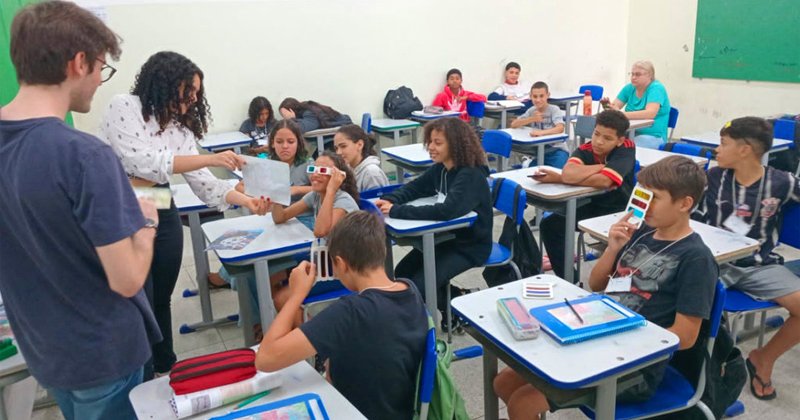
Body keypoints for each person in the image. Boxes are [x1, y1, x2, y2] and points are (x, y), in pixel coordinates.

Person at [0, 2, 160, 418]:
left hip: (41, 346)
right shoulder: (85, 156)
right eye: (101, 70)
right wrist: (144, 228)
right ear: (78, 63)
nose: (98, 84)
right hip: (101, 353)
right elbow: (126, 280)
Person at [495, 156, 718, 419]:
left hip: (636, 365)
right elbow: (598, 283)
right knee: (504, 381)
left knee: (524, 402)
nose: (644, 205)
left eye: (654, 197)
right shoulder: (644, 232)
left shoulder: (696, 258)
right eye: (642, 195)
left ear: (685, 203)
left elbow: (686, 335)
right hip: (600, 333)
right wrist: (613, 247)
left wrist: (616, 340)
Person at [100, 51, 269, 379]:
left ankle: (165, 366)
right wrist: (211, 159)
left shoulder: (180, 127)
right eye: (188, 91)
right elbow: (143, 162)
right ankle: (141, 373)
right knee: (139, 298)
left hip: (159, 200)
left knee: (161, 294)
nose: (193, 100)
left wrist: (244, 201)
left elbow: (205, 186)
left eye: (196, 94)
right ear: (164, 83)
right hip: (123, 203)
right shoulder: (125, 106)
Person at [256, 211, 427, 419]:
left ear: (341, 263)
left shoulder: (351, 312)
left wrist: (296, 295)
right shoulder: (410, 290)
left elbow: (265, 359)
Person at [695, 116, 800, 400]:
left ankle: (763, 359)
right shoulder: (712, 177)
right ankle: (710, 366)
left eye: (723, 144)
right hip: (714, 264)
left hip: (758, 266)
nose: (717, 150)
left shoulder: (782, 182)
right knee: (695, 303)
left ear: (745, 149)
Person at [376, 117, 492, 331]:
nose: (430, 147)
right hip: (445, 238)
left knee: (420, 285)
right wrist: (391, 199)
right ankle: (457, 299)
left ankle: (441, 318)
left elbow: (446, 211)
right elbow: (416, 187)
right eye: (429, 141)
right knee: (402, 273)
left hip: (469, 246)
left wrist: (396, 211)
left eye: (438, 143)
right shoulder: (442, 168)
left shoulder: (470, 175)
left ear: (455, 145)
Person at [536, 109, 636, 279]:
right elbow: (568, 173)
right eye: (596, 134)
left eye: (607, 138)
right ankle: (569, 279)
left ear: (620, 140)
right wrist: (601, 168)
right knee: (550, 225)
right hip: (594, 205)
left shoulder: (626, 149)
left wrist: (568, 176)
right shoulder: (587, 148)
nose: (598, 142)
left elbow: (604, 182)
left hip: (621, 210)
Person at [601, 60, 671, 149]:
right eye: (632, 74)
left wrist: (620, 114)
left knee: (624, 149)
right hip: (628, 132)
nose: (633, 77)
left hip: (652, 136)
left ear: (649, 75)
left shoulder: (656, 88)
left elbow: (650, 113)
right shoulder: (629, 88)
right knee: (605, 144)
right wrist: (609, 107)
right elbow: (615, 107)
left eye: (638, 74)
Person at [509, 81, 568, 168]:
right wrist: (532, 118)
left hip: (557, 150)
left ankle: (526, 161)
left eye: (541, 96)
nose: (538, 100)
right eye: (535, 96)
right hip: (540, 152)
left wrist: (541, 133)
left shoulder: (554, 109)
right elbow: (514, 124)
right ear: (530, 96)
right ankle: (527, 162)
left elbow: (560, 128)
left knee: (556, 172)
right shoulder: (531, 110)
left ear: (548, 95)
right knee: (533, 173)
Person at [333, 124, 389, 191]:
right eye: (336, 148)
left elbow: (375, 201)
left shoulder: (372, 174)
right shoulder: (348, 167)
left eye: (343, 146)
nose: (338, 152)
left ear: (360, 145)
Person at [278, 97, 352, 134]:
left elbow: (301, 129)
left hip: (345, 132)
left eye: (285, 116)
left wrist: (291, 119)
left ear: (292, 111)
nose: (285, 119)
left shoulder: (309, 113)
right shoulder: (306, 110)